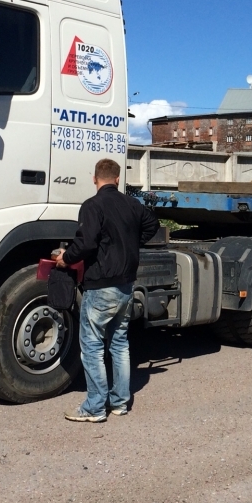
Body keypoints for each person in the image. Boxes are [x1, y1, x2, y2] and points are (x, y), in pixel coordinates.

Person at [53, 158, 159, 422]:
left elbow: (87, 243)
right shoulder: (132, 204)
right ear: (117, 179)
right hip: (126, 285)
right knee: (120, 343)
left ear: (94, 179)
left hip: (101, 285)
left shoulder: (92, 205)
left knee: (92, 347)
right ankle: (120, 403)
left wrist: (66, 258)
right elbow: (152, 225)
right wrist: (131, 243)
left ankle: (95, 407)